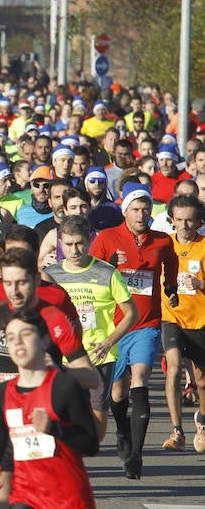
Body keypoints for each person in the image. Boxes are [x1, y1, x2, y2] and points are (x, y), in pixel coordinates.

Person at [0, 309, 100, 509]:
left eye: (25, 335)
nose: (17, 342)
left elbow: (91, 444)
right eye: (10, 337)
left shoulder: (63, 386)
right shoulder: (3, 391)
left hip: (70, 500)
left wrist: (54, 428)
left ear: (45, 341)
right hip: (29, 498)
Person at [89, 182, 179, 478]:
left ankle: (136, 455)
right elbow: (91, 277)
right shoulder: (106, 237)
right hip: (113, 327)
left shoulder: (162, 241)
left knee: (139, 377)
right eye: (136, 209)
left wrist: (171, 288)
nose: (142, 215)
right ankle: (124, 434)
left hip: (146, 323)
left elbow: (171, 266)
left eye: (146, 209)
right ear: (124, 210)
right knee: (117, 390)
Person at [45, 215, 139, 440]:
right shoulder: (51, 276)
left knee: (96, 425)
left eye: (79, 243)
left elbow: (131, 314)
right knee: (62, 412)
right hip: (64, 357)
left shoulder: (107, 272)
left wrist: (109, 342)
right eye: (68, 244)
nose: (74, 250)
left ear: (89, 240)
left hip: (99, 356)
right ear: (60, 244)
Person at [158, 196, 205, 452]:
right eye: (179, 219)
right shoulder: (165, 245)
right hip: (172, 318)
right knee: (173, 367)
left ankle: (202, 420)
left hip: (201, 321)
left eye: (190, 219)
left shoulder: (204, 246)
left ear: (199, 221)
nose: (184, 225)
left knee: (201, 380)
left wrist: (200, 285)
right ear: (171, 221)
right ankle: (177, 431)